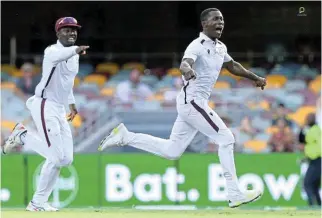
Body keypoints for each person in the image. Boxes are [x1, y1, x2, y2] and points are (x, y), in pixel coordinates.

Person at [98, 8, 266, 208]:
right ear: (204, 24)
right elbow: (185, 63)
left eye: (222, 19)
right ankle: (234, 193)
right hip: (193, 101)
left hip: (192, 104)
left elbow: (232, 66)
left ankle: (126, 137)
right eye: (215, 19)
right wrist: (187, 71)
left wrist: (254, 78)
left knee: (172, 151)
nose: (220, 22)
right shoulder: (197, 45)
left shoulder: (220, 47)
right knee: (226, 139)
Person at [2, 17, 90, 211]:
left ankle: (38, 202)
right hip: (44, 104)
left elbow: (67, 82)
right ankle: (36, 202)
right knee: (57, 158)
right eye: (66, 30)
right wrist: (76, 49)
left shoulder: (74, 56)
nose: (72, 33)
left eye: (74, 30)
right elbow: (61, 55)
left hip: (59, 108)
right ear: (58, 33)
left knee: (65, 159)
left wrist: (72, 104)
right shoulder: (51, 51)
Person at [302, 113, 321, 206]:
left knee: (307, 183)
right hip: (314, 160)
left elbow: (319, 144)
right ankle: (319, 206)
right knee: (314, 186)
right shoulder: (313, 130)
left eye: (309, 119)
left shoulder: (315, 130)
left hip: (317, 160)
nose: (307, 120)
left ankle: (311, 206)